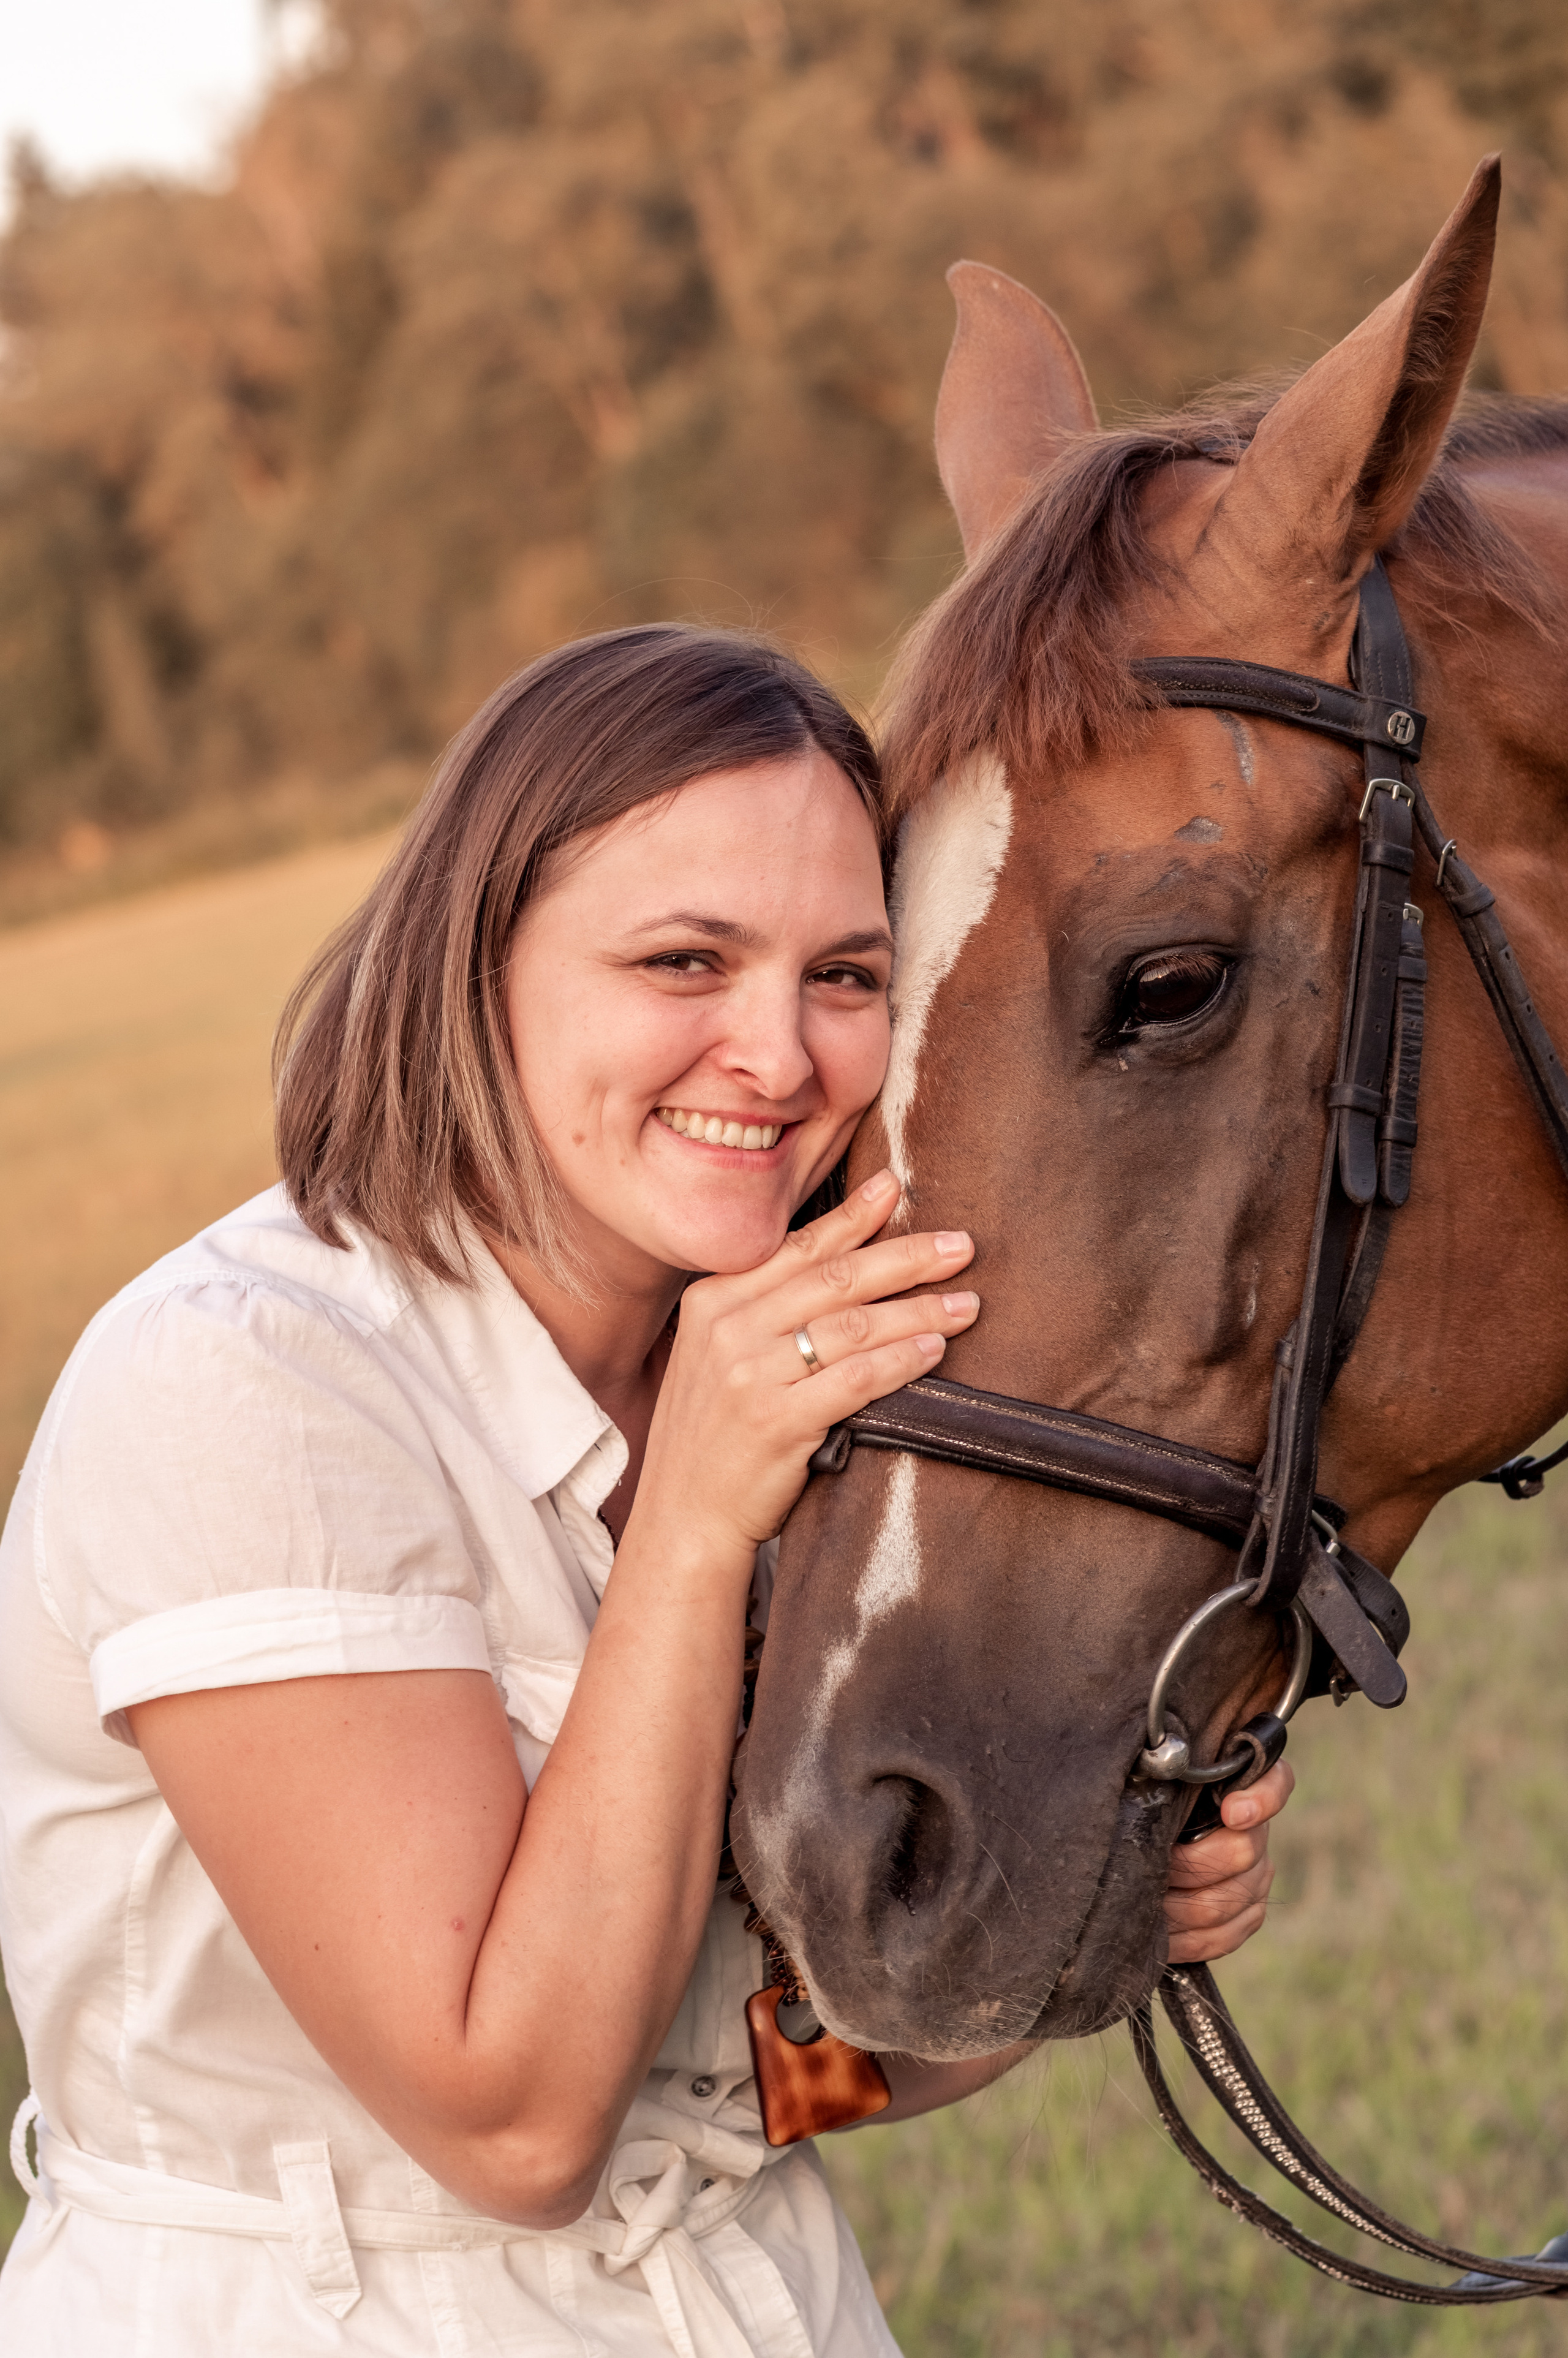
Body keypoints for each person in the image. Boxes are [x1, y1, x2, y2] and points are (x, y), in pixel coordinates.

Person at [0, 625, 1289, 2354]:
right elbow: (518, 2119)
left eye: (846, 973)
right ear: (479, 965)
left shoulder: (786, 1369)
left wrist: (1083, 1929)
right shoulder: (243, 1388)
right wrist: (691, 1518)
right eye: (686, 959)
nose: (777, 1054)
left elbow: (748, 2073)